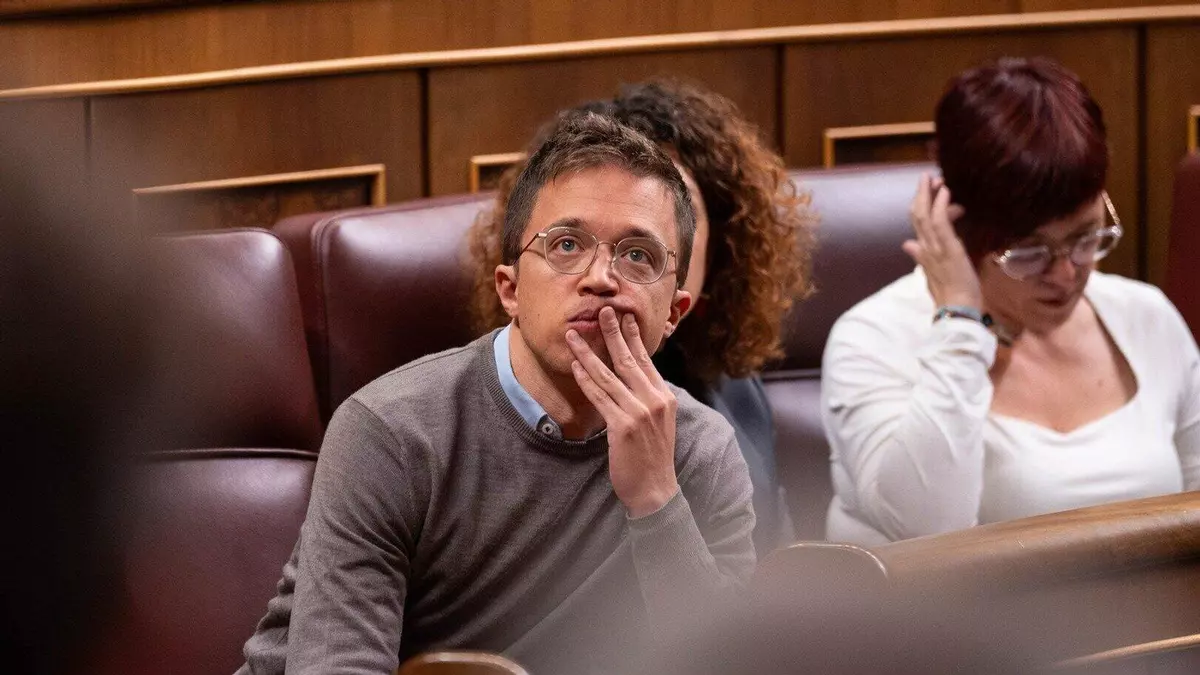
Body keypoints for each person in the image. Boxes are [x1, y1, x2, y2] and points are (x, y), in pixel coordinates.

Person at [237, 112, 756, 674]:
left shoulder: (703, 451)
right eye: (566, 245)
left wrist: (656, 499)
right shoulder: (389, 432)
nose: (601, 277)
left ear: (674, 312)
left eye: (637, 256)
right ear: (510, 289)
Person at [822, 57, 1200, 545]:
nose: (1066, 275)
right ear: (958, 228)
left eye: (1086, 238)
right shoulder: (872, 338)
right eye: (1029, 253)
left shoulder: (1146, 316)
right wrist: (959, 322)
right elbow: (925, 533)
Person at [469, 80, 814, 551]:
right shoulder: (520, 406)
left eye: (672, 216)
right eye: (572, 242)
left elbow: (772, 565)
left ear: (718, 244)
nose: (604, 274)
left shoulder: (735, 386)